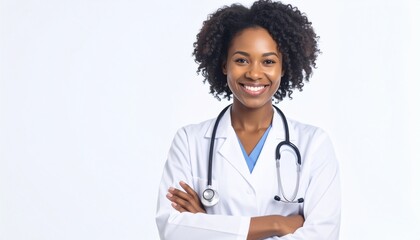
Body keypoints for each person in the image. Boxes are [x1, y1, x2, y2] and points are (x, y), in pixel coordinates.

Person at [155, 0, 341, 239]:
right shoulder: (189, 141)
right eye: (242, 60)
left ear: (283, 68)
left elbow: (322, 235)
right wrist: (275, 224)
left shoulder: (313, 144)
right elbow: (172, 229)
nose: (254, 73)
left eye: (268, 61)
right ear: (224, 65)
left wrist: (209, 226)